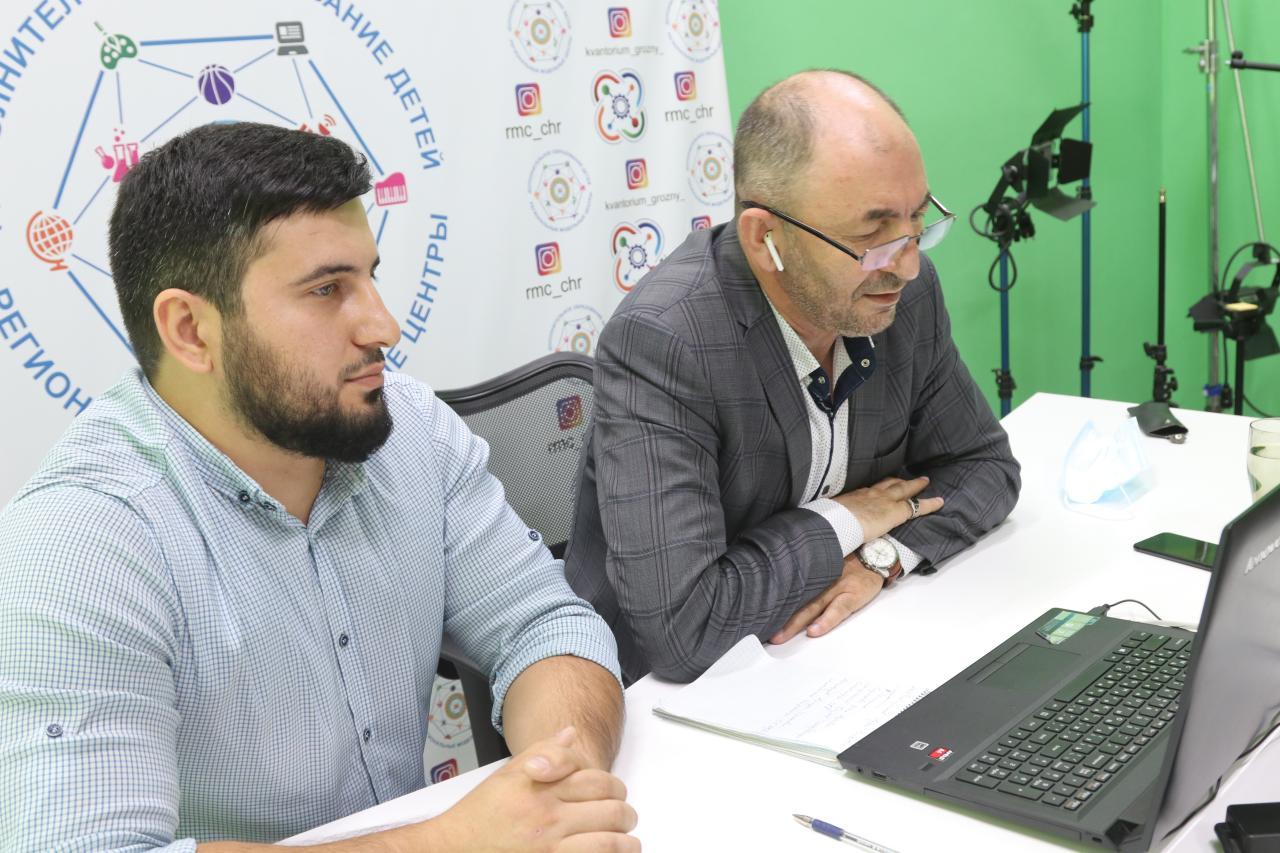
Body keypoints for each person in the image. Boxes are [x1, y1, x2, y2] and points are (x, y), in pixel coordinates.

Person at [0, 122, 638, 852]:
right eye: (327, 289)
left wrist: (562, 786)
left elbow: (544, 626)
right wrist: (448, 842)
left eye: (370, 277)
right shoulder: (78, 546)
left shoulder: (412, 431)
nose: (383, 326)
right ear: (191, 331)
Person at [564, 70, 1021, 684]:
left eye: (918, 221)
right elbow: (681, 629)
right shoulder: (667, 342)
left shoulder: (901, 300)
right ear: (765, 238)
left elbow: (983, 467)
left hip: (834, 655)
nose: (908, 265)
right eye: (872, 235)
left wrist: (880, 556)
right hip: (669, 696)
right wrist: (846, 521)